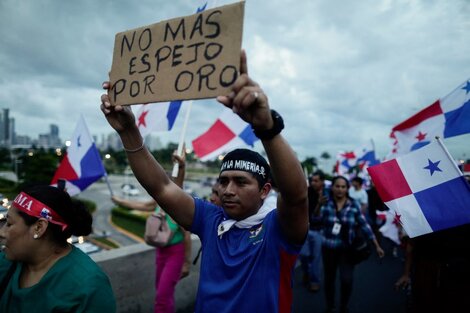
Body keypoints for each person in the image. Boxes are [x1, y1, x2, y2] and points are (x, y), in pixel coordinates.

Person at [100, 50, 308, 312]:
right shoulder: (212, 220)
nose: (227, 190)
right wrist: (128, 131)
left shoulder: (278, 228)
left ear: (265, 190)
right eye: (224, 181)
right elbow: (162, 187)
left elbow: (296, 196)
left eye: (241, 182)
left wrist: (267, 128)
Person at [0, 185, 116, 312]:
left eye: (9, 224)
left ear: (39, 228)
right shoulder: (6, 261)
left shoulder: (89, 287)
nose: (2, 232)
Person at [111, 152, 191, 313]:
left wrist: (186, 263)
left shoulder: (178, 203)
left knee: (162, 298)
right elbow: (141, 205)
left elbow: (187, 235)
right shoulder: (159, 202)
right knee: (162, 294)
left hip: (176, 254)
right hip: (160, 252)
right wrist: (119, 201)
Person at [316, 176, 384, 313]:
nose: (340, 189)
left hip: (347, 249)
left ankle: (343, 306)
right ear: (333, 187)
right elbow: (315, 219)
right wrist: (318, 205)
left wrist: (376, 245)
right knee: (329, 279)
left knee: (346, 280)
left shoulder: (353, 205)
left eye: (343, 187)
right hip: (328, 248)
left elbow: (365, 225)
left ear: (347, 189)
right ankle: (330, 307)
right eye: (337, 186)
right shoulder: (326, 203)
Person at [394, 224, 470, 313]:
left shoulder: (425, 221)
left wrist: (406, 274)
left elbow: (410, 248)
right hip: (456, 271)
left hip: (427, 268)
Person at [299, 171, 328, 292]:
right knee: (304, 255)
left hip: (319, 230)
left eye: (316, 180)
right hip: (305, 228)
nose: (313, 183)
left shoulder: (329, 193)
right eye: (312, 180)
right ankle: (307, 272)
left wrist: (320, 204)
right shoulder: (307, 192)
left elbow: (319, 215)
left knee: (316, 257)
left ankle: (314, 280)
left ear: (322, 181)